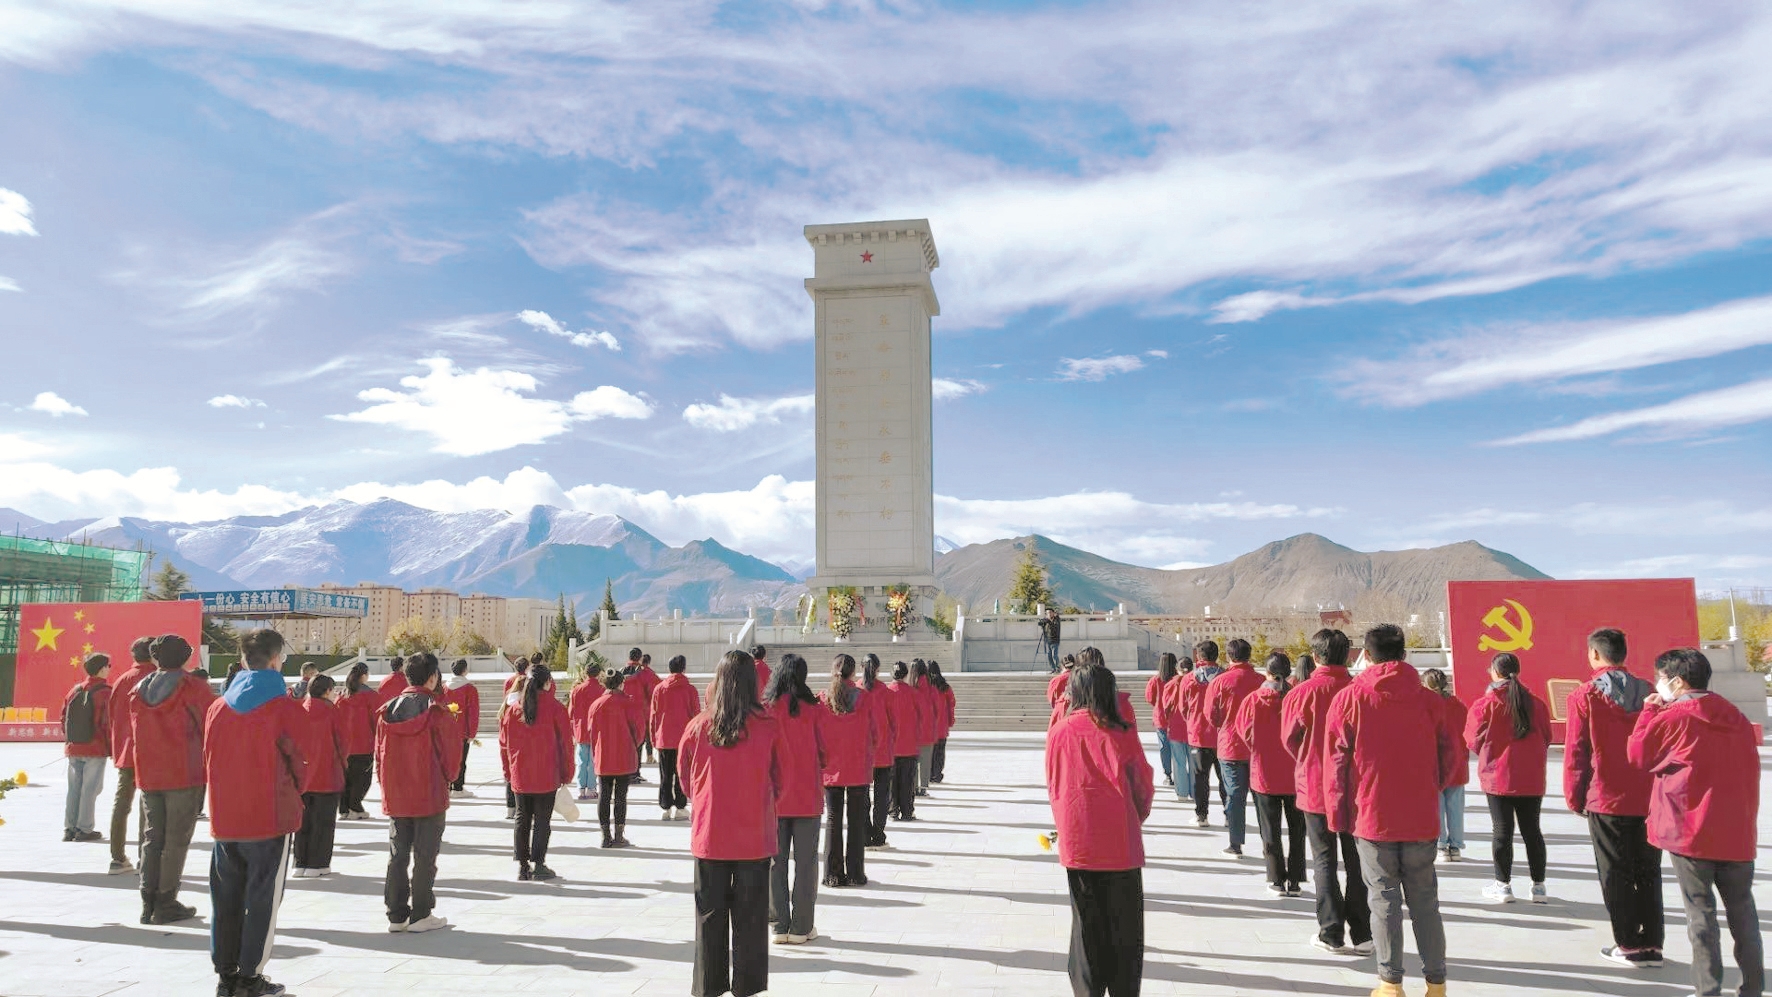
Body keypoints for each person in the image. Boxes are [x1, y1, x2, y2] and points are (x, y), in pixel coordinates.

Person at [1325, 624, 1457, 997]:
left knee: (1383, 901)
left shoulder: (1350, 699)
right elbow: (1451, 757)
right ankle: (1436, 983)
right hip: (1420, 818)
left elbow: (1335, 762)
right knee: (1426, 902)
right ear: (1404, 654)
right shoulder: (1431, 701)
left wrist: (1337, 814)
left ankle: (1390, 983)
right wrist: (1429, 788)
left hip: (1372, 816)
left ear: (1367, 655)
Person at [1629, 648, 1762, 997]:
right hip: (1736, 830)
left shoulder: (1673, 717)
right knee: (1743, 913)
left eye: (1661, 677)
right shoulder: (1734, 715)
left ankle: (1708, 989)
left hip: (1690, 830)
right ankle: (1753, 987)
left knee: (1700, 914)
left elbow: (1638, 755)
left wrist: (1649, 711)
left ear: (1676, 681)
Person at [204, 628, 306, 997]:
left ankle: (226, 975)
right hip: (268, 817)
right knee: (262, 899)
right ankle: (250, 978)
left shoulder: (217, 707)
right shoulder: (285, 707)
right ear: (277, 659)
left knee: (225, 899)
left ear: (244, 660)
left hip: (225, 817)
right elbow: (301, 762)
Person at [678, 650, 783, 997]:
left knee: (709, 916)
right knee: (751, 917)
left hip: (711, 834)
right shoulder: (768, 726)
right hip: (754, 835)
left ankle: (709, 986)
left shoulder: (698, 726)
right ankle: (747, 987)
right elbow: (780, 779)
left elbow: (685, 779)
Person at [1047, 660, 1154, 997]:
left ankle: (1087, 988)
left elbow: (1054, 785)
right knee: (1124, 927)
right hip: (1120, 841)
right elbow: (1142, 784)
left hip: (1079, 841)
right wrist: (1134, 817)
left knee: (1085, 923)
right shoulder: (1121, 731)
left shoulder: (1060, 731)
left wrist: (1066, 823)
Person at [1564, 627, 1663, 968]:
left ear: (1594, 654)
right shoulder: (1650, 693)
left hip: (1606, 796)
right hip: (1647, 796)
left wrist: (1574, 796)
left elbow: (1577, 751)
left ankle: (1628, 944)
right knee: (1648, 870)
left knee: (1615, 872)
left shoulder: (1584, 695)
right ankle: (1653, 944)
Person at [1282, 628, 1370, 956]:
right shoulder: (1361, 691)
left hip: (1316, 785)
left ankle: (1331, 932)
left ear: (1315, 657)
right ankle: (1363, 933)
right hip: (1358, 788)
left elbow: (1289, 739)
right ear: (1347, 655)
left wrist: (1309, 759)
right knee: (1358, 860)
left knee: (1323, 859)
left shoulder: (1302, 693)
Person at [128, 633, 214, 925]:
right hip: (183, 771)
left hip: (149, 772)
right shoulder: (194, 688)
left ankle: (147, 900)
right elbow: (210, 725)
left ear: (155, 657)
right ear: (187, 657)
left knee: (152, 837)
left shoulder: (138, 690)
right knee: (176, 839)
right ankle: (166, 901)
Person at [376, 653, 462, 933]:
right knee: (425, 855)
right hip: (429, 790)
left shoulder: (387, 711)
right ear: (433, 677)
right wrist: (450, 778)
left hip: (397, 792)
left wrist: (385, 785)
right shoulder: (436, 712)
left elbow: (379, 755)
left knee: (397, 854)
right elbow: (451, 756)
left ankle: (396, 914)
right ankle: (422, 913)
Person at [1464, 651, 1552, 904]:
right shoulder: (1537, 704)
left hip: (1498, 777)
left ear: (1495, 672)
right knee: (1532, 831)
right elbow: (1546, 737)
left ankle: (1503, 885)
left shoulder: (1486, 704)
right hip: (1531, 777)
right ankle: (1538, 887)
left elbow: (1471, 739)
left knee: (1502, 831)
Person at [764, 653, 830, 944]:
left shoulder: (766, 709)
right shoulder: (815, 709)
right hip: (807, 797)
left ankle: (780, 925)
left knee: (775, 862)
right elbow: (826, 753)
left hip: (774, 799)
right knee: (806, 863)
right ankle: (802, 926)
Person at [1233, 651, 1305, 897]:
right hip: (1295, 774)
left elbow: (1243, 732)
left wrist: (1259, 749)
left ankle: (1276, 879)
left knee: (1270, 830)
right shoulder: (1298, 698)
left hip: (1264, 773)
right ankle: (1295, 880)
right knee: (1297, 830)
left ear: (1267, 673)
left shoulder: (1253, 700)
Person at [500, 663, 573, 881]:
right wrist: (567, 773)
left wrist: (508, 771)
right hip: (547, 773)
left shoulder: (514, 710)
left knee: (522, 818)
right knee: (542, 820)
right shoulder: (556, 708)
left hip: (520, 773)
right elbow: (566, 745)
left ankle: (523, 866)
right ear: (548, 682)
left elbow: (505, 744)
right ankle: (539, 864)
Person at [820, 653, 876, 887]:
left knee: (833, 819)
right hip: (857, 765)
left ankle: (832, 873)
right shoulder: (864, 698)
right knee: (856, 820)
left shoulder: (823, 698)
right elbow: (874, 731)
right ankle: (855, 873)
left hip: (831, 767)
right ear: (854, 672)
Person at [1206, 638, 1264, 856]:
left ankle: (1235, 843)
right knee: (1261, 797)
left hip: (1230, 745)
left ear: (1229, 656)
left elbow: (1211, 715)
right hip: (1258, 746)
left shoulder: (1220, 682)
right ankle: (1268, 843)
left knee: (1235, 796)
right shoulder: (1260, 680)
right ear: (1249, 655)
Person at [107, 636, 157, 874]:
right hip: (151, 751)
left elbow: (112, 718)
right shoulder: (158, 679)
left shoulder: (121, 680)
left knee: (121, 804)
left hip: (126, 752)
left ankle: (117, 858)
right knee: (148, 806)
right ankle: (144, 858)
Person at [293, 674, 347, 878]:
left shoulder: (300, 709)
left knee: (303, 822)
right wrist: (343, 764)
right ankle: (318, 864)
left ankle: (300, 862)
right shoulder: (331, 711)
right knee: (323, 823)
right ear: (327, 691)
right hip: (327, 774)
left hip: (303, 776)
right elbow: (343, 742)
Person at [588, 668, 643, 848]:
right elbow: (638, 730)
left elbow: (592, 732)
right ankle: (619, 835)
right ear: (621, 683)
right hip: (624, 755)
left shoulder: (596, 704)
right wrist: (633, 745)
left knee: (604, 795)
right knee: (621, 796)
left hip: (603, 755)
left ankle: (605, 835)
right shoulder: (629, 703)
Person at [62, 652, 112, 843]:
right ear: (102, 669)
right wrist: (112, 748)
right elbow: (108, 724)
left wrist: (70, 740)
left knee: (74, 789)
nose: (109, 669)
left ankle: (69, 828)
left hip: (74, 747)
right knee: (90, 790)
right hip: (95, 748)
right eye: (108, 666)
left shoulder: (74, 690)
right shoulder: (106, 692)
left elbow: (63, 717)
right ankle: (84, 829)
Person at [1421, 669, 1469, 863]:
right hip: (1457, 763)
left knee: (1437, 807)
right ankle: (1456, 846)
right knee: (1456, 808)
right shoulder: (1459, 706)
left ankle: (1440, 845)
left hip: (1434, 763)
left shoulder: (1426, 707)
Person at [649, 654, 701, 820]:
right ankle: (680, 806)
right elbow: (696, 715)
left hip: (664, 738)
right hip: (684, 738)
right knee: (682, 774)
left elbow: (654, 716)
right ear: (683, 668)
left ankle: (665, 807)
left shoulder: (659, 689)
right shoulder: (690, 689)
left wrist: (654, 738)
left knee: (665, 775)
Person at [1181, 641, 1225, 829]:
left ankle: (1201, 815)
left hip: (1199, 734)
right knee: (1225, 779)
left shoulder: (1189, 679)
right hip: (1222, 736)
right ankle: (1229, 815)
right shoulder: (1224, 677)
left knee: (1200, 778)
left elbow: (1183, 708)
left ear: (1198, 656)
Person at [860, 654, 896, 847]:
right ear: (878, 669)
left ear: (861, 667)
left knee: (863, 795)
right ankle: (879, 833)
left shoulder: (856, 690)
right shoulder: (885, 691)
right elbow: (893, 722)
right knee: (882, 796)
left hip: (862, 753)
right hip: (882, 752)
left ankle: (866, 834)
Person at [337, 663, 378, 820]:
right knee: (362, 780)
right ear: (364, 676)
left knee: (346, 779)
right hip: (364, 744)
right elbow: (376, 720)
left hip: (344, 745)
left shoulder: (342, 696)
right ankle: (355, 807)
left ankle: (344, 808)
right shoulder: (371, 696)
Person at [884, 661, 922, 822]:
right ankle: (907, 811)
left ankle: (893, 811)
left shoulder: (886, 692)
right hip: (909, 744)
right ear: (906, 674)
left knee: (892, 781)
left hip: (890, 745)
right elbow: (920, 717)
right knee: (907, 780)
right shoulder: (913, 693)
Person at [441, 659, 480, 797]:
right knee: (461, 760)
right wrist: (472, 733)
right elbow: (473, 713)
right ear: (465, 670)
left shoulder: (444, 688)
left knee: (446, 758)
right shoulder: (470, 689)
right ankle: (458, 788)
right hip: (462, 731)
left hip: (445, 730)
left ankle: (446, 786)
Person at [1158, 657, 1194, 801]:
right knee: (1193, 762)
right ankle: (1195, 791)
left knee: (1179, 762)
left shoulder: (1171, 684)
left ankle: (1182, 793)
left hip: (1175, 726)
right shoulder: (1195, 682)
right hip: (1192, 727)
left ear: (1177, 669)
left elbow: (1166, 706)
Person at [568, 661, 604, 802]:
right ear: (599, 674)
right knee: (593, 760)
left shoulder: (577, 690)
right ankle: (591, 788)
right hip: (596, 729)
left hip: (580, 728)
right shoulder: (601, 690)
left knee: (581, 760)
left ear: (585, 673)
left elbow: (571, 711)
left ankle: (581, 788)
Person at [1147, 653, 1178, 788]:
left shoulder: (1155, 680)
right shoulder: (1178, 680)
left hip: (1161, 718)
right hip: (1177, 719)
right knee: (1178, 748)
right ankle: (1180, 774)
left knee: (1164, 747)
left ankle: (1168, 774)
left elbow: (1150, 698)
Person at [629, 651, 662, 767]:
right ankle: (649, 756)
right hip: (645, 710)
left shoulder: (623, 671)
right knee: (647, 735)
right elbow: (654, 691)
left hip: (629, 710)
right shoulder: (647, 673)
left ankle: (632, 760)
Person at [911, 659, 938, 795]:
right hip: (927, 729)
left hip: (911, 731)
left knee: (913, 761)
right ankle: (923, 787)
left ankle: (914, 786)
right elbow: (937, 709)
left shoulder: (909, 689)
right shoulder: (931, 688)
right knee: (925, 761)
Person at [928, 661, 955, 784]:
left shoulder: (927, 688)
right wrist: (950, 720)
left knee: (930, 752)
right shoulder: (945, 687)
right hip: (942, 725)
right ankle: (937, 773)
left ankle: (929, 773)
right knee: (940, 752)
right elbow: (951, 705)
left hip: (929, 726)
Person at [1039, 607, 1062, 673]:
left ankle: (1058, 669)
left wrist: (1049, 622)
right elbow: (1041, 624)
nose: (1049, 614)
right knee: (1049, 656)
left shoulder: (1056, 620)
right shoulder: (1046, 620)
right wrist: (1043, 622)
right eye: (1047, 613)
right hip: (1048, 640)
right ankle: (1053, 669)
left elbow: (1055, 628)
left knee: (1054, 655)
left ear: (1053, 613)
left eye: (1050, 612)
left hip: (1055, 640)